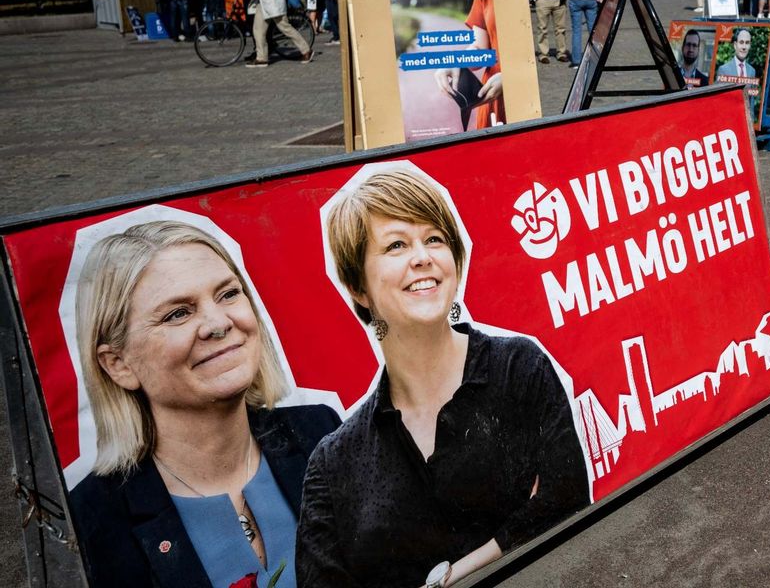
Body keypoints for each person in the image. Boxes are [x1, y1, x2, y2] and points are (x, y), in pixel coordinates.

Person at [296, 170, 590, 588]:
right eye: (396, 245)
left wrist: (451, 577)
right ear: (357, 286)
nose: (422, 257)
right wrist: (513, 534)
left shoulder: (518, 369)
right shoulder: (332, 463)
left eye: (434, 239)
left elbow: (567, 503)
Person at [67, 220, 341, 588]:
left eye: (228, 294)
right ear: (119, 364)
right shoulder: (88, 521)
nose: (218, 323)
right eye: (178, 313)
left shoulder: (321, 432)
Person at [433, 0, 505, 130]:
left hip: (523, 91)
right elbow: (480, 47)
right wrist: (457, 61)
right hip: (491, 93)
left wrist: (511, 78)